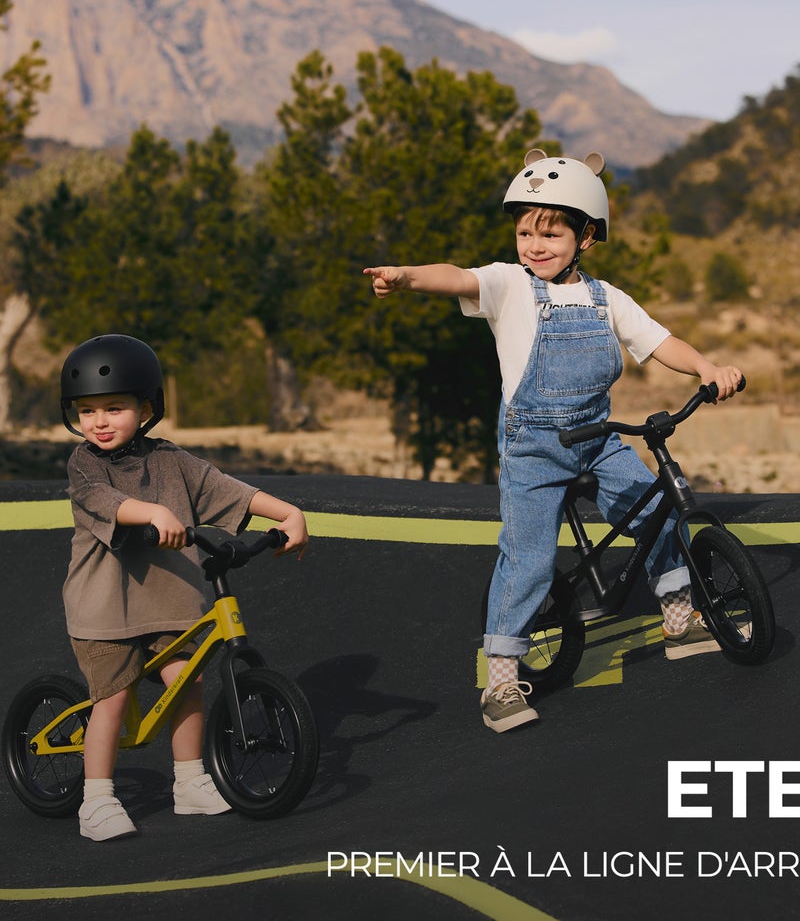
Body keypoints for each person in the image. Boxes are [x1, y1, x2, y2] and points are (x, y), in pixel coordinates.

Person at [364, 150, 744, 734]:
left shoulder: (604, 297)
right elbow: (457, 276)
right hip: (533, 449)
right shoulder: (509, 287)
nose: (535, 246)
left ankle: (679, 619)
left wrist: (707, 366)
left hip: (599, 438)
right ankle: (501, 680)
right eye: (524, 232)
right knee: (530, 559)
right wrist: (406, 277)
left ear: (586, 236)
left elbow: (659, 340)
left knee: (659, 511)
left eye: (552, 234)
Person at [59, 333, 309, 839]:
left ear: (146, 407)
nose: (100, 422)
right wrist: (151, 511)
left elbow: (225, 490)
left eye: (114, 408)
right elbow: (107, 504)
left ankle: (191, 780)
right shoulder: (84, 466)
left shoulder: (173, 461)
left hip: (168, 604)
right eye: (87, 411)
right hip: (105, 610)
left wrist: (288, 512)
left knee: (188, 683)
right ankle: (97, 799)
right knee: (111, 697)